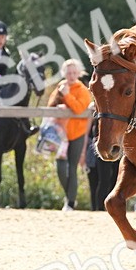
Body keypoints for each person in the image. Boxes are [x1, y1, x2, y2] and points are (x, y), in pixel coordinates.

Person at [50, 57, 92, 212]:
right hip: (61, 134)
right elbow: (50, 105)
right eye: (69, 73)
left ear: (79, 73)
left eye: (74, 72)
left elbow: (80, 109)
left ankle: (70, 202)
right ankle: (68, 195)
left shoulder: (83, 90)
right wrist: (58, 104)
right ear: (64, 73)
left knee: (72, 167)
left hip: (77, 134)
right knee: (60, 167)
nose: (72, 75)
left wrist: (67, 96)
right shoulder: (60, 87)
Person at [85, 105, 119, 211]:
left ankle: (113, 207)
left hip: (116, 146)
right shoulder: (97, 109)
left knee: (114, 179)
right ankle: (99, 207)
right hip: (103, 147)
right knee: (104, 179)